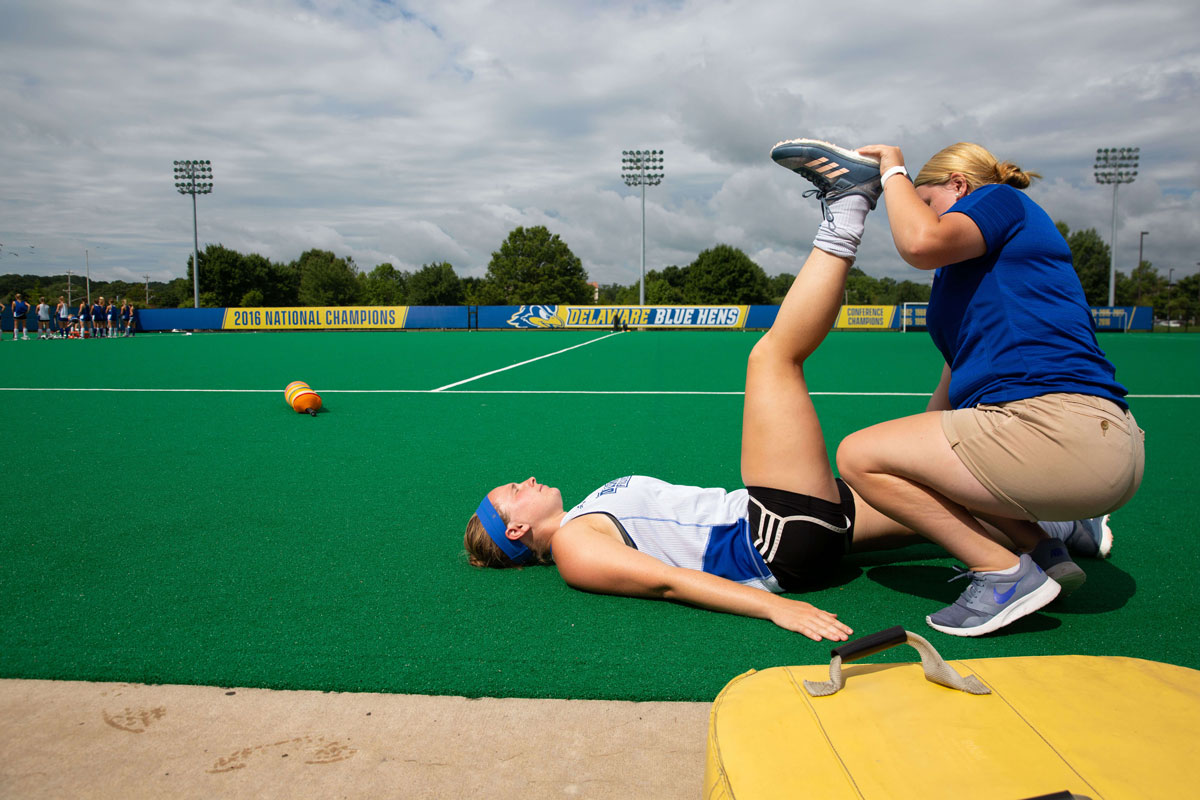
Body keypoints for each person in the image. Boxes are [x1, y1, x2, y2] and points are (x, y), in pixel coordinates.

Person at [464, 139, 1103, 641]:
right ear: (517, 531)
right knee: (773, 356)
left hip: (793, 524)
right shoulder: (574, 548)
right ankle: (848, 208)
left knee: (923, 494)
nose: (522, 481)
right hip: (777, 540)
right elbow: (667, 584)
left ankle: (1055, 532)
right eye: (511, 494)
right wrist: (775, 613)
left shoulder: (583, 519)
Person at [825, 141, 1144, 637]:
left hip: (1059, 433)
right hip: (1077, 441)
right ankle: (1044, 550)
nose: (919, 213)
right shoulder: (972, 271)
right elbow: (952, 384)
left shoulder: (999, 199)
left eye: (926, 201)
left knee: (856, 455)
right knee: (906, 462)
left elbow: (919, 244)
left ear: (958, 186)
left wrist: (893, 172)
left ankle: (1003, 576)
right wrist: (908, 470)